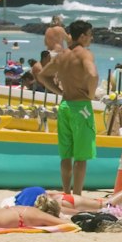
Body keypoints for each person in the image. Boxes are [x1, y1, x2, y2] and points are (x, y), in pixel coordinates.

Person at [34, 20, 99, 195]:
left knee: (66, 155)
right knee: (81, 156)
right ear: (83, 36)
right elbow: (92, 74)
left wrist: (59, 91)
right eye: (90, 34)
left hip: (65, 105)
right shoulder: (85, 54)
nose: (91, 38)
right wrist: (91, 95)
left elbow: (42, 76)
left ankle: (66, 193)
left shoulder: (62, 55)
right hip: (81, 106)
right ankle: (76, 196)